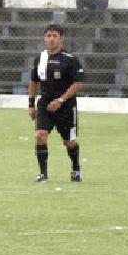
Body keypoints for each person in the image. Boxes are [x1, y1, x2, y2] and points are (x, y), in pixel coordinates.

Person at [28, 24, 85, 183]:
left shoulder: (70, 59)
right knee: (40, 135)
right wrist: (31, 104)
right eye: (48, 36)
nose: (51, 39)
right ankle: (43, 174)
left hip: (66, 106)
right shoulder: (40, 59)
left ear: (61, 38)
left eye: (54, 36)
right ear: (44, 38)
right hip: (45, 103)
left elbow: (78, 83)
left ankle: (75, 169)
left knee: (70, 142)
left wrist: (61, 99)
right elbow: (33, 81)